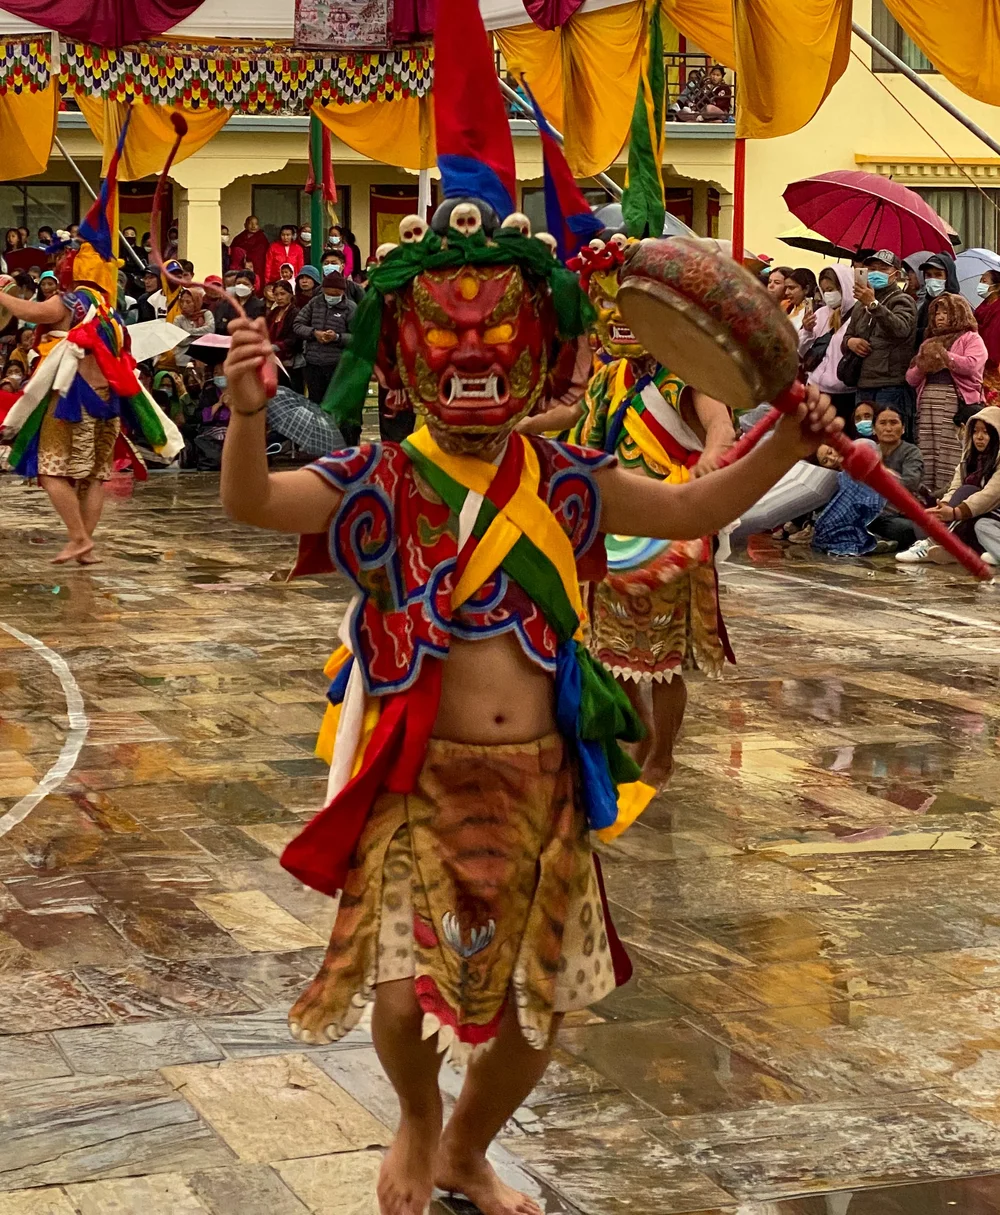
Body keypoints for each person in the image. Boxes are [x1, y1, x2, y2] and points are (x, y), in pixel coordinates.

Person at [219, 190, 837, 1215]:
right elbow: (251, 504)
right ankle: (419, 1122)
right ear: (408, 353)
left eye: (498, 329)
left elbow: (694, 506)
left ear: (539, 354)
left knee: (538, 1008)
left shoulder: (568, 482)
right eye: (446, 330)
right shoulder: (377, 478)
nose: (472, 352)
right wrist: (247, 417)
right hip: (415, 776)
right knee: (395, 992)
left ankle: (467, 1147)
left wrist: (785, 439)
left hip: (544, 782)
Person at [571, 237, 735, 790]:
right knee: (611, 654)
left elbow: (719, 424)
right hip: (611, 532)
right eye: (606, 301)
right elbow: (579, 437)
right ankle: (638, 734)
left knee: (662, 661)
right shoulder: (606, 378)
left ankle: (662, 753)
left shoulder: (684, 373)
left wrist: (714, 452)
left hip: (668, 534)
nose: (616, 315)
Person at [0, 217, 180, 564]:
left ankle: (79, 538)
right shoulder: (110, 310)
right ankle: (84, 545)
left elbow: (35, 312)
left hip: (74, 400)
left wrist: (3, 298)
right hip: (108, 401)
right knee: (93, 478)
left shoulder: (74, 303)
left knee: (50, 472)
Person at [906, 291, 986, 498]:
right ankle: (928, 494)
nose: (939, 317)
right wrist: (923, 366)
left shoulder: (971, 338)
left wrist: (944, 356)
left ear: (958, 313)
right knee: (928, 448)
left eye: (945, 312)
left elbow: (972, 364)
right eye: (936, 313)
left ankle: (950, 494)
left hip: (954, 402)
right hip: (928, 402)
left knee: (950, 450)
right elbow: (911, 378)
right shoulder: (929, 342)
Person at [897, 407, 1000, 565]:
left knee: (969, 493)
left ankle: (934, 543)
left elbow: (990, 495)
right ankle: (963, 550)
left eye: (985, 432)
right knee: (922, 521)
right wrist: (943, 507)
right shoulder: (968, 459)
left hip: (992, 514)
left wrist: (955, 512)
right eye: (975, 431)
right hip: (977, 516)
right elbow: (955, 487)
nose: (979, 437)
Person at [843, 250, 918, 437]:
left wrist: (874, 305)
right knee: (864, 437)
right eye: (872, 268)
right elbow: (846, 337)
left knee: (887, 436)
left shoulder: (903, 300)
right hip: (863, 383)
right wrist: (851, 342)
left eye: (883, 268)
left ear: (896, 274)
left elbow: (901, 330)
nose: (877, 272)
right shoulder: (860, 305)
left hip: (890, 384)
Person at [293, 267, 355, 428]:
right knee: (316, 405)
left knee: (336, 406)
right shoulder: (314, 303)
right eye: (328, 294)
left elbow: (359, 337)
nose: (331, 298)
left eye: (335, 295)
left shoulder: (351, 308)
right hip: (313, 363)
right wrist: (314, 333)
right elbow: (298, 325)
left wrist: (337, 337)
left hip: (337, 365)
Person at [800, 264, 857, 433]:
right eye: (824, 291)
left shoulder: (858, 314)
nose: (828, 295)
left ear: (844, 287)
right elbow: (803, 352)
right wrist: (807, 332)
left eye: (831, 289)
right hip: (816, 388)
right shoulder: (820, 314)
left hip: (844, 392)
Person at [811, 439, 885, 556]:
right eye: (825, 461)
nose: (832, 459)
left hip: (875, 511)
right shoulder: (832, 482)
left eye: (830, 452)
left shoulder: (857, 453)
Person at [868, 404, 925, 551]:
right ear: (874, 429)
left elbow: (910, 483)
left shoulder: (911, 452)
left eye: (894, 423)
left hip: (895, 515)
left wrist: (882, 472)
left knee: (906, 530)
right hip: (868, 510)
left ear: (903, 428)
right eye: (882, 423)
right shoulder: (868, 451)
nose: (888, 428)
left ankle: (872, 539)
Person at [916, 253, 960, 346]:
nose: (932, 279)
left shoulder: (957, 305)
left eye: (938, 275)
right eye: (928, 275)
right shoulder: (926, 303)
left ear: (948, 277)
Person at [173, 287, 216, 367]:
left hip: (203, 361)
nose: (184, 305)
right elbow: (179, 341)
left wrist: (188, 332)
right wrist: (201, 337)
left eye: (188, 302)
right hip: (183, 362)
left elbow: (210, 330)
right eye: (182, 302)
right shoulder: (179, 319)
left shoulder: (206, 314)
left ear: (196, 302)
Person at [975, 270, 1000, 402]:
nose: (980, 285)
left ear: (996, 287)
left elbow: (994, 337)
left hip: (993, 366)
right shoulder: (982, 307)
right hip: (979, 365)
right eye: (980, 281)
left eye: (984, 281)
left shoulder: (998, 309)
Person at [265, 279, 299, 368]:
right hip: (271, 358)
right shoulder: (273, 313)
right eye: (276, 295)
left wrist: (277, 346)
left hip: (288, 360)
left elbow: (294, 338)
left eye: (282, 294)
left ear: (291, 294)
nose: (279, 298)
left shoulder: (295, 313)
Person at [229, 216, 270, 289]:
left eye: (256, 224)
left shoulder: (262, 239)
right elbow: (233, 253)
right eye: (251, 223)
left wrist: (249, 259)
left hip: (257, 268)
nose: (253, 226)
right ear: (245, 225)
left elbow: (261, 255)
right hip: (240, 268)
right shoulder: (239, 238)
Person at [784, 267, 818, 333]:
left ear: (806, 289)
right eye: (786, 288)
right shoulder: (789, 309)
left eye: (791, 288)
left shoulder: (815, 311)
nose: (786, 292)